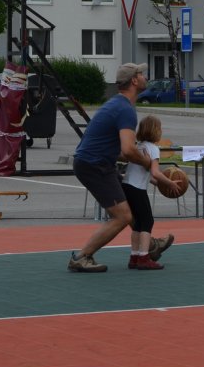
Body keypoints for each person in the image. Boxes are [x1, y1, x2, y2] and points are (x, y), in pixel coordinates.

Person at [68, 63, 173, 272]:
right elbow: (128, 150)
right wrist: (148, 163)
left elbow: (118, 150)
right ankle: (82, 257)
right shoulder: (125, 109)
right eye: (141, 74)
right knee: (123, 216)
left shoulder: (117, 104)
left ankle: (149, 246)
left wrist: (148, 172)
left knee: (131, 209)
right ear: (134, 80)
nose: (145, 77)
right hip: (94, 165)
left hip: (95, 163)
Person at [122, 115, 179, 270]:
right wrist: (170, 183)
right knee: (147, 222)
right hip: (137, 189)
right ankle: (144, 258)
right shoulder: (153, 149)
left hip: (127, 186)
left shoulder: (138, 146)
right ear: (155, 131)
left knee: (137, 224)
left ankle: (134, 257)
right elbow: (155, 172)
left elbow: (147, 175)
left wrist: (160, 183)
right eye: (160, 128)